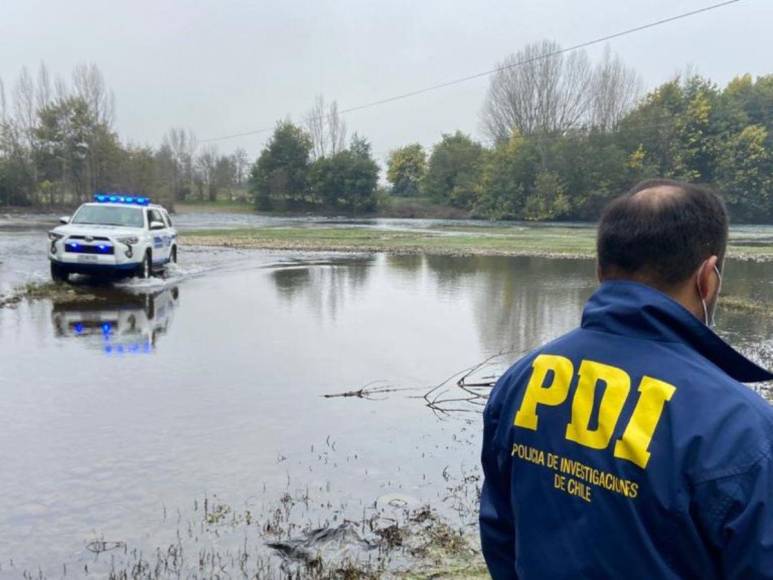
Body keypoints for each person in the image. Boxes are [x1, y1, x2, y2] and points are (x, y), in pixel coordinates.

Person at [480, 179, 773, 579]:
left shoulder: (523, 379)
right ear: (708, 277)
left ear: (601, 270)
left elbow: (501, 534)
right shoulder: (741, 428)